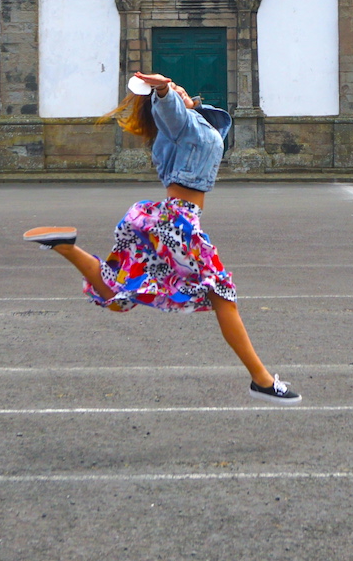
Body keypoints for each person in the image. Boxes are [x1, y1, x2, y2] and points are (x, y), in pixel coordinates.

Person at [24, 72, 300, 403]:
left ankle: (66, 247)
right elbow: (169, 107)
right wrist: (163, 90)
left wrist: (177, 96)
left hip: (168, 219)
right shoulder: (177, 123)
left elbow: (200, 117)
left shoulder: (189, 125)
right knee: (222, 295)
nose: (182, 90)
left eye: (181, 87)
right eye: (177, 90)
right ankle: (262, 380)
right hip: (178, 222)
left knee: (119, 292)